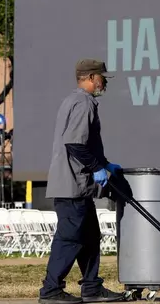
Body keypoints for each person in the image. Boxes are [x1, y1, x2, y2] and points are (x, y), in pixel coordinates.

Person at [39, 59, 124, 304]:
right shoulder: (84, 102)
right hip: (72, 184)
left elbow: (84, 143)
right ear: (89, 77)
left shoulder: (74, 100)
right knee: (69, 238)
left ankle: (91, 288)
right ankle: (51, 291)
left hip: (79, 185)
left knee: (89, 236)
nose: (104, 81)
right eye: (102, 77)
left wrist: (104, 163)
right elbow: (75, 143)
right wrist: (97, 168)